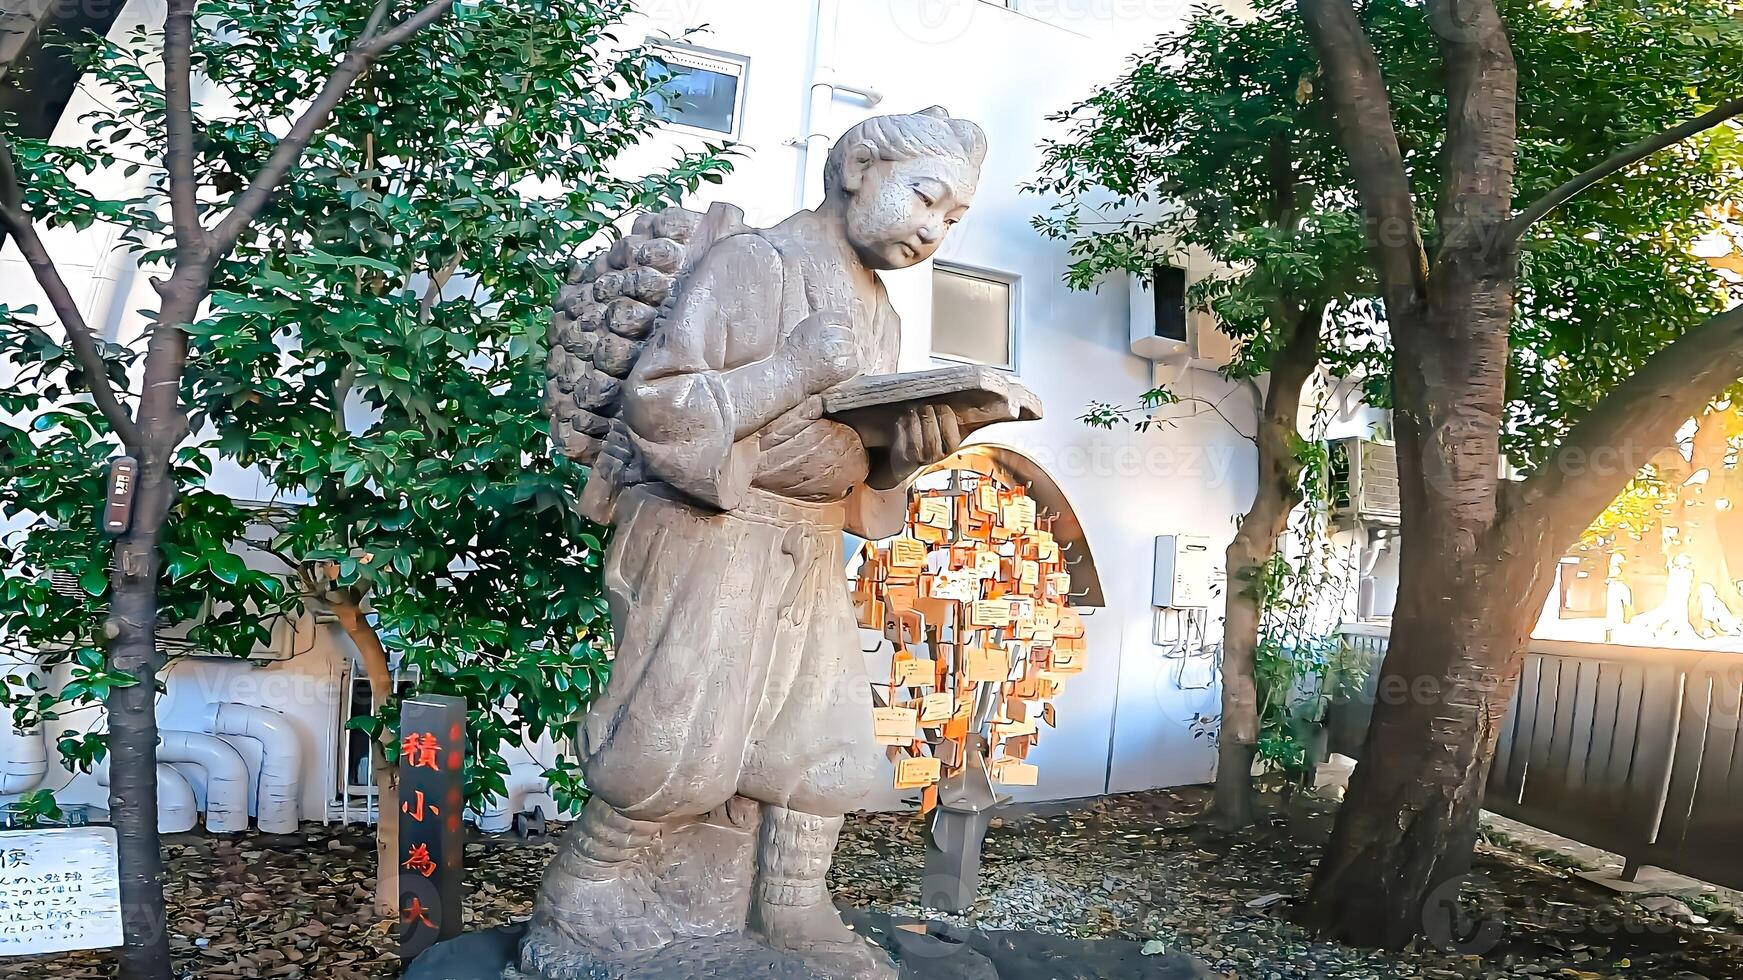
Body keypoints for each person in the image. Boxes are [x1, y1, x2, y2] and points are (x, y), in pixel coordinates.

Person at [523, 107, 988, 980]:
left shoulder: (880, 313)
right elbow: (660, 406)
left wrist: (903, 459)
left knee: (818, 731)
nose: (932, 230)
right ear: (858, 169)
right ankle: (583, 890)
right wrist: (794, 369)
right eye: (925, 199)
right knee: (680, 729)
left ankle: (791, 899)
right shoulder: (754, 263)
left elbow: (856, 470)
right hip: (713, 531)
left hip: (809, 540)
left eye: (953, 221)